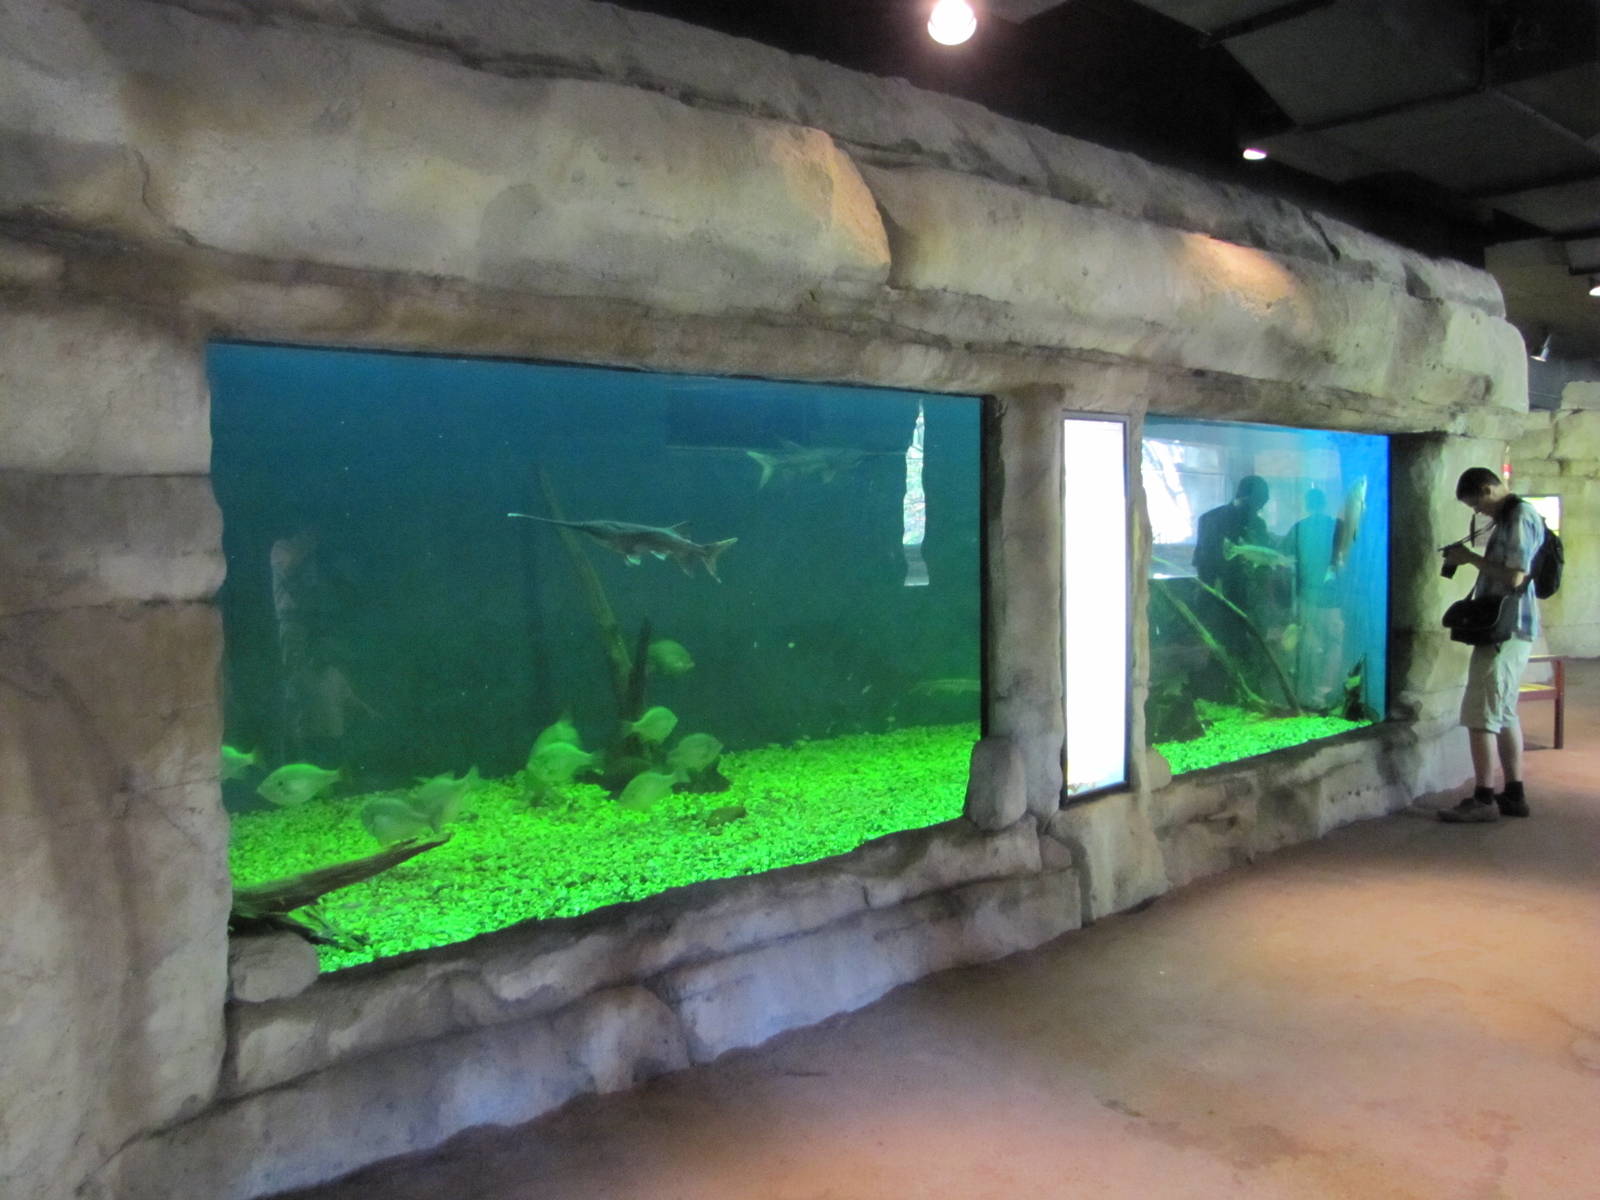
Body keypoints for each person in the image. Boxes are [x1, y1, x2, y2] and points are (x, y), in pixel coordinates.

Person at [1438, 467, 1544, 823]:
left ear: (1487, 489)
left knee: (1480, 713)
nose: (1479, 513)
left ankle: (1483, 798)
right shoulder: (1512, 516)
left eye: (1477, 505)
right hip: (1511, 630)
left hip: (1505, 630)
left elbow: (1515, 575)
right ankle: (1514, 793)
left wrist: (1469, 558)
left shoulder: (1518, 517)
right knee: (1505, 710)